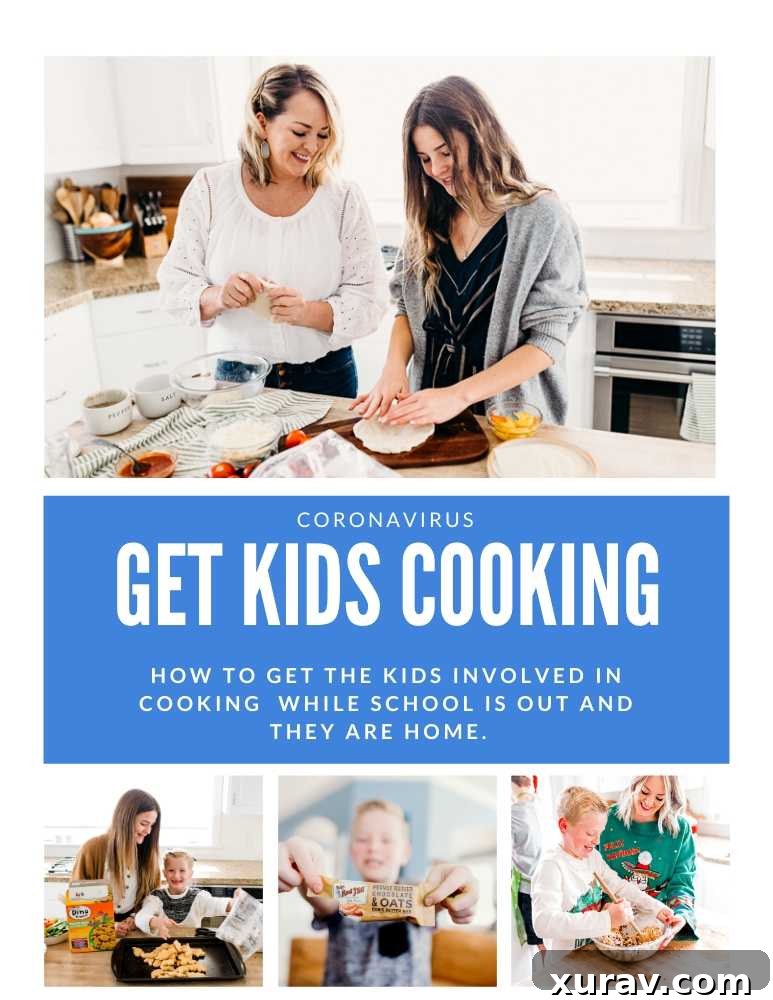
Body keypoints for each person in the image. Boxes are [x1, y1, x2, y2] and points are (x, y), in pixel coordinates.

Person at [352, 75, 586, 426]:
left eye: (445, 152)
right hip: (428, 414)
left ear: (480, 134)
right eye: (425, 159)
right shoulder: (428, 219)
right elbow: (406, 307)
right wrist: (394, 367)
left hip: (508, 422)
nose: (437, 169)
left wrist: (458, 396)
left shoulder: (542, 218)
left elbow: (547, 340)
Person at [159, 63, 388, 398]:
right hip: (237, 379)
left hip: (327, 378)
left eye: (323, 135)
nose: (312, 147)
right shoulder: (210, 188)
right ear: (262, 122)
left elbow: (370, 300)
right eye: (300, 132)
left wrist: (306, 312)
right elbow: (174, 285)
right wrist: (219, 296)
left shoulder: (343, 199)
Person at [278, 798, 479, 986]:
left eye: (386, 840)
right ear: (351, 850)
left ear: (405, 853)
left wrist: (458, 886)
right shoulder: (344, 897)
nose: (373, 847)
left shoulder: (421, 893)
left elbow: (439, 899)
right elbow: (323, 898)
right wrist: (304, 866)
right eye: (363, 839)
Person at [531, 786, 681, 951]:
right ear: (564, 826)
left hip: (591, 954)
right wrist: (607, 919)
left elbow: (618, 885)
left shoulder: (592, 857)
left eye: (600, 833)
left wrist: (656, 907)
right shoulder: (551, 866)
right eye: (590, 833)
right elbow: (543, 923)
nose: (596, 841)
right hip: (565, 963)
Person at [601, 776, 697, 939]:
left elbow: (682, 882)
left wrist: (681, 914)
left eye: (660, 798)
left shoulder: (680, 830)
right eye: (644, 792)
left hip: (655, 923)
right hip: (608, 920)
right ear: (634, 785)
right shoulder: (606, 820)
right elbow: (587, 871)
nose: (649, 802)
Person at [72, 788, 161, 937]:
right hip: (95, 929)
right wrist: (107, 926)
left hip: (134, 930)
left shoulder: (148, 855)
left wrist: (136, 918)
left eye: (152, 825)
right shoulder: (92, 848)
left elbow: (153, 896)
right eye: (144, 823)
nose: (148, 831)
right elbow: (77, 900)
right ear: (125, 819)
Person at [134, 849, 235, 938]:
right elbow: (140, 917)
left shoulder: (199, 897)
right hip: (162, 946)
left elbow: (218, 904)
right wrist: (156, 922)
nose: (176, 876)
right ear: (164, 873)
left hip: (191, 948)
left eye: (182, 870)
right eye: (171, 870)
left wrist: (234, 902)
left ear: (190, 874)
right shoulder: (156, 897)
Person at [511, 776, 543, 950]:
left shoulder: (513, 814)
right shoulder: (541, 808)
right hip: (541, 885)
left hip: (529, 888)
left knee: (539, 942)